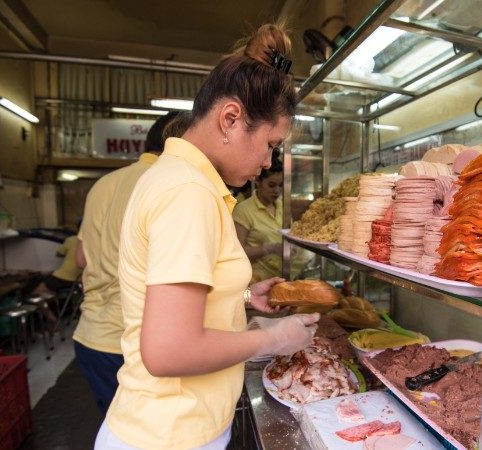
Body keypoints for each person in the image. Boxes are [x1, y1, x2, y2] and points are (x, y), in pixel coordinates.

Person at [96, 24, 319, 450]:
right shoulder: (188, 192)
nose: (268, 162)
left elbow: (168, 301)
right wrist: (274, 338)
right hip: (168, 436)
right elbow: (169, 350)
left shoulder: (180, 178)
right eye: (270, 144)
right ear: (230, 119)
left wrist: (240, 297)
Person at [73, 110, 181, 415]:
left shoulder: (103, 184)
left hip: (92, 337)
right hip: (137, 344)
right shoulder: (171, 184)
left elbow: (81, 258)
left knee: (118, 426)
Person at [233, 152, 284, 282]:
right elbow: (237, 252)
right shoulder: (243, 210)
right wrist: (267, 249)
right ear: (258, 181)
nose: (277, 191)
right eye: (271, 185)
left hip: (284, 277)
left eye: (280, 185)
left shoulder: (283, 208)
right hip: (256, 281)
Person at [31, 234, 82, 326]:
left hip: (63, 277)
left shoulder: (71, 239)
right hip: (79, 280)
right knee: (50, 293)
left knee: (36, 295)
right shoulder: (93, 241)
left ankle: (53, 321)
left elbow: (59, 254)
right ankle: (53, 312)